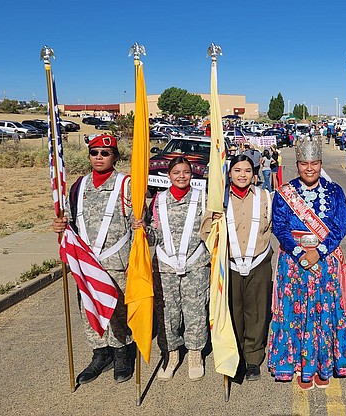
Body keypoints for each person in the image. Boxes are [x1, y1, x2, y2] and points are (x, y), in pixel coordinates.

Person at [267, 137, 346, 390]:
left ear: (320, 163)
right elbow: (280, 226)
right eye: (305, 163)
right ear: (297, 164)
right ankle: (298, 365)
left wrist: (319, 251)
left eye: (315, 163)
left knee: (324, 312)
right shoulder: (285, 192)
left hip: (326, 260)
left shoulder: (335, 191)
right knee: (296, 313)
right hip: (294, 263)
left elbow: (340, 226)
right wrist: (298, 252)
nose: (310, 168)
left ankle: (323, 364)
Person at [52, 134, 136, 385]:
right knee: (88, 309)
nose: (99, 157)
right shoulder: (79, 186)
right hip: (86, 262)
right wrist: (59, 225)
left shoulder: (126, 185)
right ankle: (100, 353)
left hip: (116, 261)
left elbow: (139, 225)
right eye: (94, 152)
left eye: (105, 153)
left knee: (117, 310)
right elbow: (70, 220)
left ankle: (121, 352)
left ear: (115, 156)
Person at [201, 155, 273, 382]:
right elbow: (206, 234)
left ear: (254, 174)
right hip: (228, 265)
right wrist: (214, 219)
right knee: (231, 311)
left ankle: (253, 358)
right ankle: (235, 355)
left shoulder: (264, 197)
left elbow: (270, 227)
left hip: (258, 262)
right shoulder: (217, 200)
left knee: (257, 313)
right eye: (237, 170)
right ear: (229, 173)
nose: (242, 175)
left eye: (247, 171)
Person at [146, 156, 210, 381]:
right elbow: (153, 235)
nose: (181, 176)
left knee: (195, 311)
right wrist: (142, 231)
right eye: (176, 172)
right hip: (165, 268)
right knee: (167, 313)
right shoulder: (158, 200)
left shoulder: (203, 199)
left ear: (192, 174)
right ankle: (171, 354)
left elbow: (211, 232)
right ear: (168, 175)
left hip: (196, 265)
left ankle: (195, 353)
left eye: (186, 172)